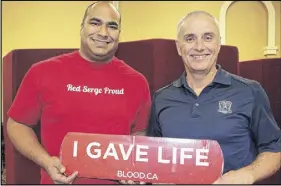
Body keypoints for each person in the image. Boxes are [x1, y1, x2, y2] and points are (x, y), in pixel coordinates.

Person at [7, 1, 151, 185]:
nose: (103, 33)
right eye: (95, 23)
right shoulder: (42, 72)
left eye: (112, 26)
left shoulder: (138, 82)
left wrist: (134, 167)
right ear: (82, 27)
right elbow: (17, 124)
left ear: (119, 33)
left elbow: (139, 134)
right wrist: (45, 161)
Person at [147, 11, 281, 184]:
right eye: (190, 38)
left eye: (208, 37)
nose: (199, 46)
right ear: (179, 47)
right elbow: (153, 155)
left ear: (218, 44)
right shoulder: (161, 98)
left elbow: (274, 148)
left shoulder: (250, 92)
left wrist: (248, 174)